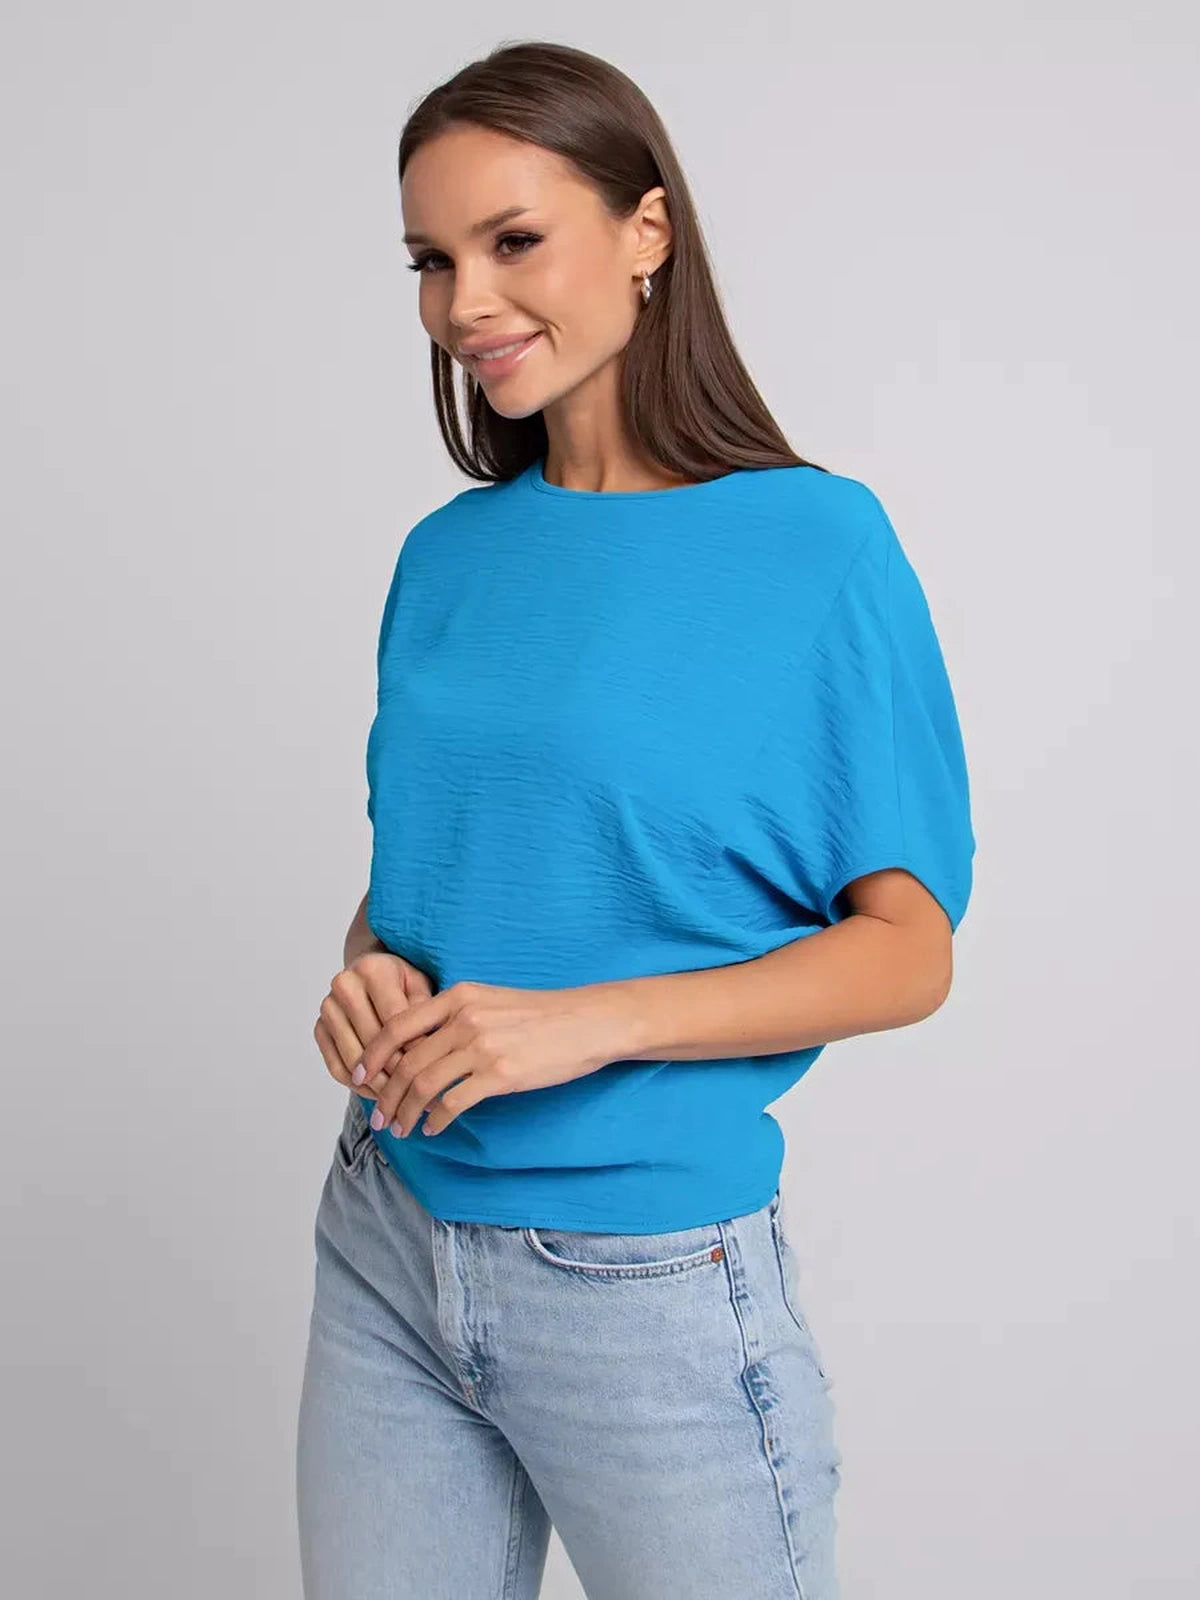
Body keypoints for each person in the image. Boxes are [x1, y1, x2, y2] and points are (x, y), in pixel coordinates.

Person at [297, 39, 975, 1600]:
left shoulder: (814, 543)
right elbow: (433, 876)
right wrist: (370, 974)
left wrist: (591, 1022)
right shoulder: (446, 556)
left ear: (645, 231)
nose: (464, 302)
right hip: (386, 1235)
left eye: (513, 241)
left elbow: (908, 951)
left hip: (645, 1285)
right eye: (431, 260)